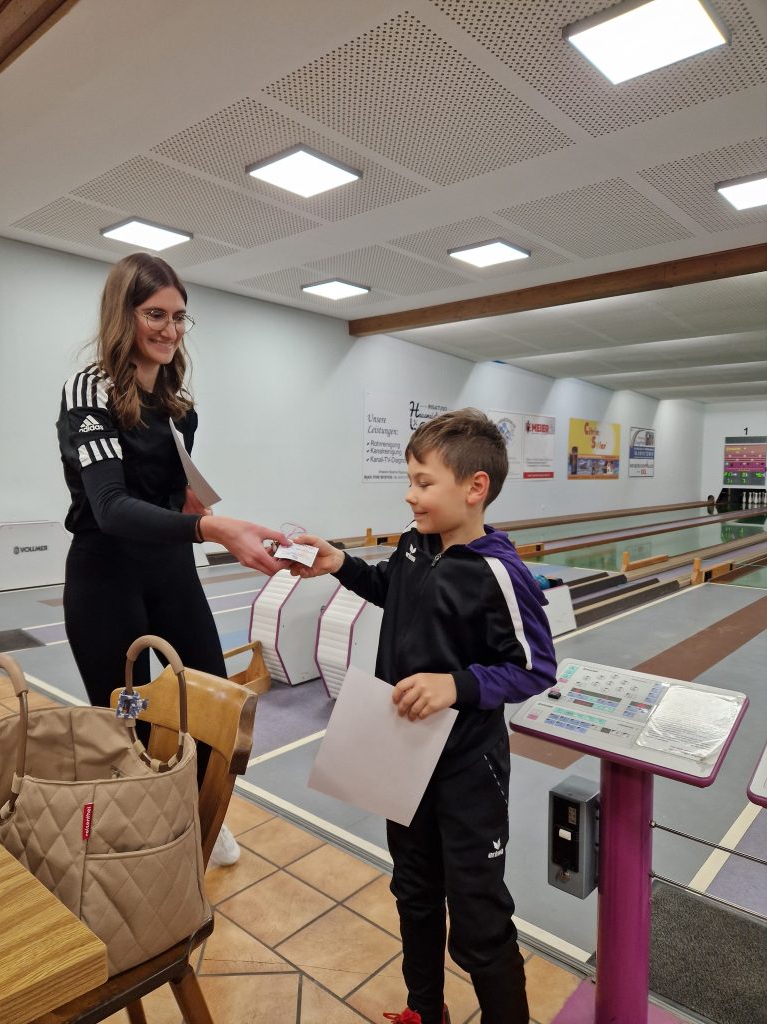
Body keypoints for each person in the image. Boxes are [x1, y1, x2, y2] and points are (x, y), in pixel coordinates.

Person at [287, 409, 557, 1024]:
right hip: (401, 757)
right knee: (413, 889)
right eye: (409, 480)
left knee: (478, 916)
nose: (410, 495)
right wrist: (340, 564)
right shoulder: (415, 544)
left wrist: (457, 686)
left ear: (475, 487)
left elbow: (535, 667)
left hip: (466, 768)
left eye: (423, 482)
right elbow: (394, 587)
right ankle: (423, 1011)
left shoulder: (499, 573)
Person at [57, 252, 288, 866]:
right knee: (127, 712)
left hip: (169, 572)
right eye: (154, 314)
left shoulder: (179, 405)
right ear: (123, 315)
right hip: (107, 575)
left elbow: (169, 492)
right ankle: (143, 828)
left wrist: (193, 506)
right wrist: (210, 526)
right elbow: (111, 507)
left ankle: (196, 812)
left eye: (180, 316)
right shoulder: (90, 392)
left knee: (209, 698)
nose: (170, 329)